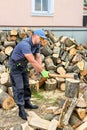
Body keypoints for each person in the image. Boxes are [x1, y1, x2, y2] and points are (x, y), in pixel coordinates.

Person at [9, 29, 49, 120]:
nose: (42, 41)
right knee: (19, 88)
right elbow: (32, 60)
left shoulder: (37, 44)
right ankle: (21, 109)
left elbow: (38, 57)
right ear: (35, 36)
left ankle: (27, 103)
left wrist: (40, 69)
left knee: (26, 85)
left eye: (43, 39)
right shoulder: (25, 44)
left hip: (23, 66)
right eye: (41, 38)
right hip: (15, 67)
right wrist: (42, 71)